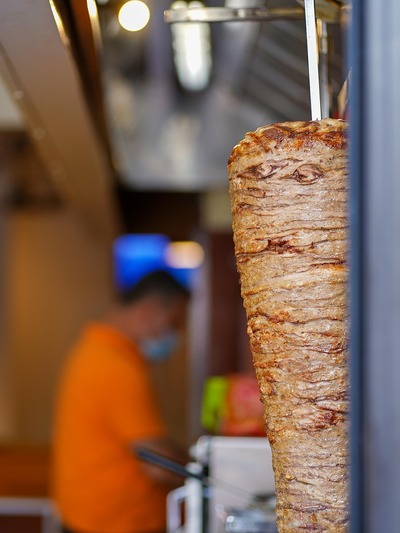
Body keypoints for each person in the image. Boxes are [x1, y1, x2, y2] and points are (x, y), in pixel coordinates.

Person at [51, 270, 191, 533]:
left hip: (87, 516)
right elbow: (157, 464)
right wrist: (204, 471)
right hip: (115, 524)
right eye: (174, 323)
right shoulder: (116, 367)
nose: (176, 334)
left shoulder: (91, 349)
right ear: (148, 312)